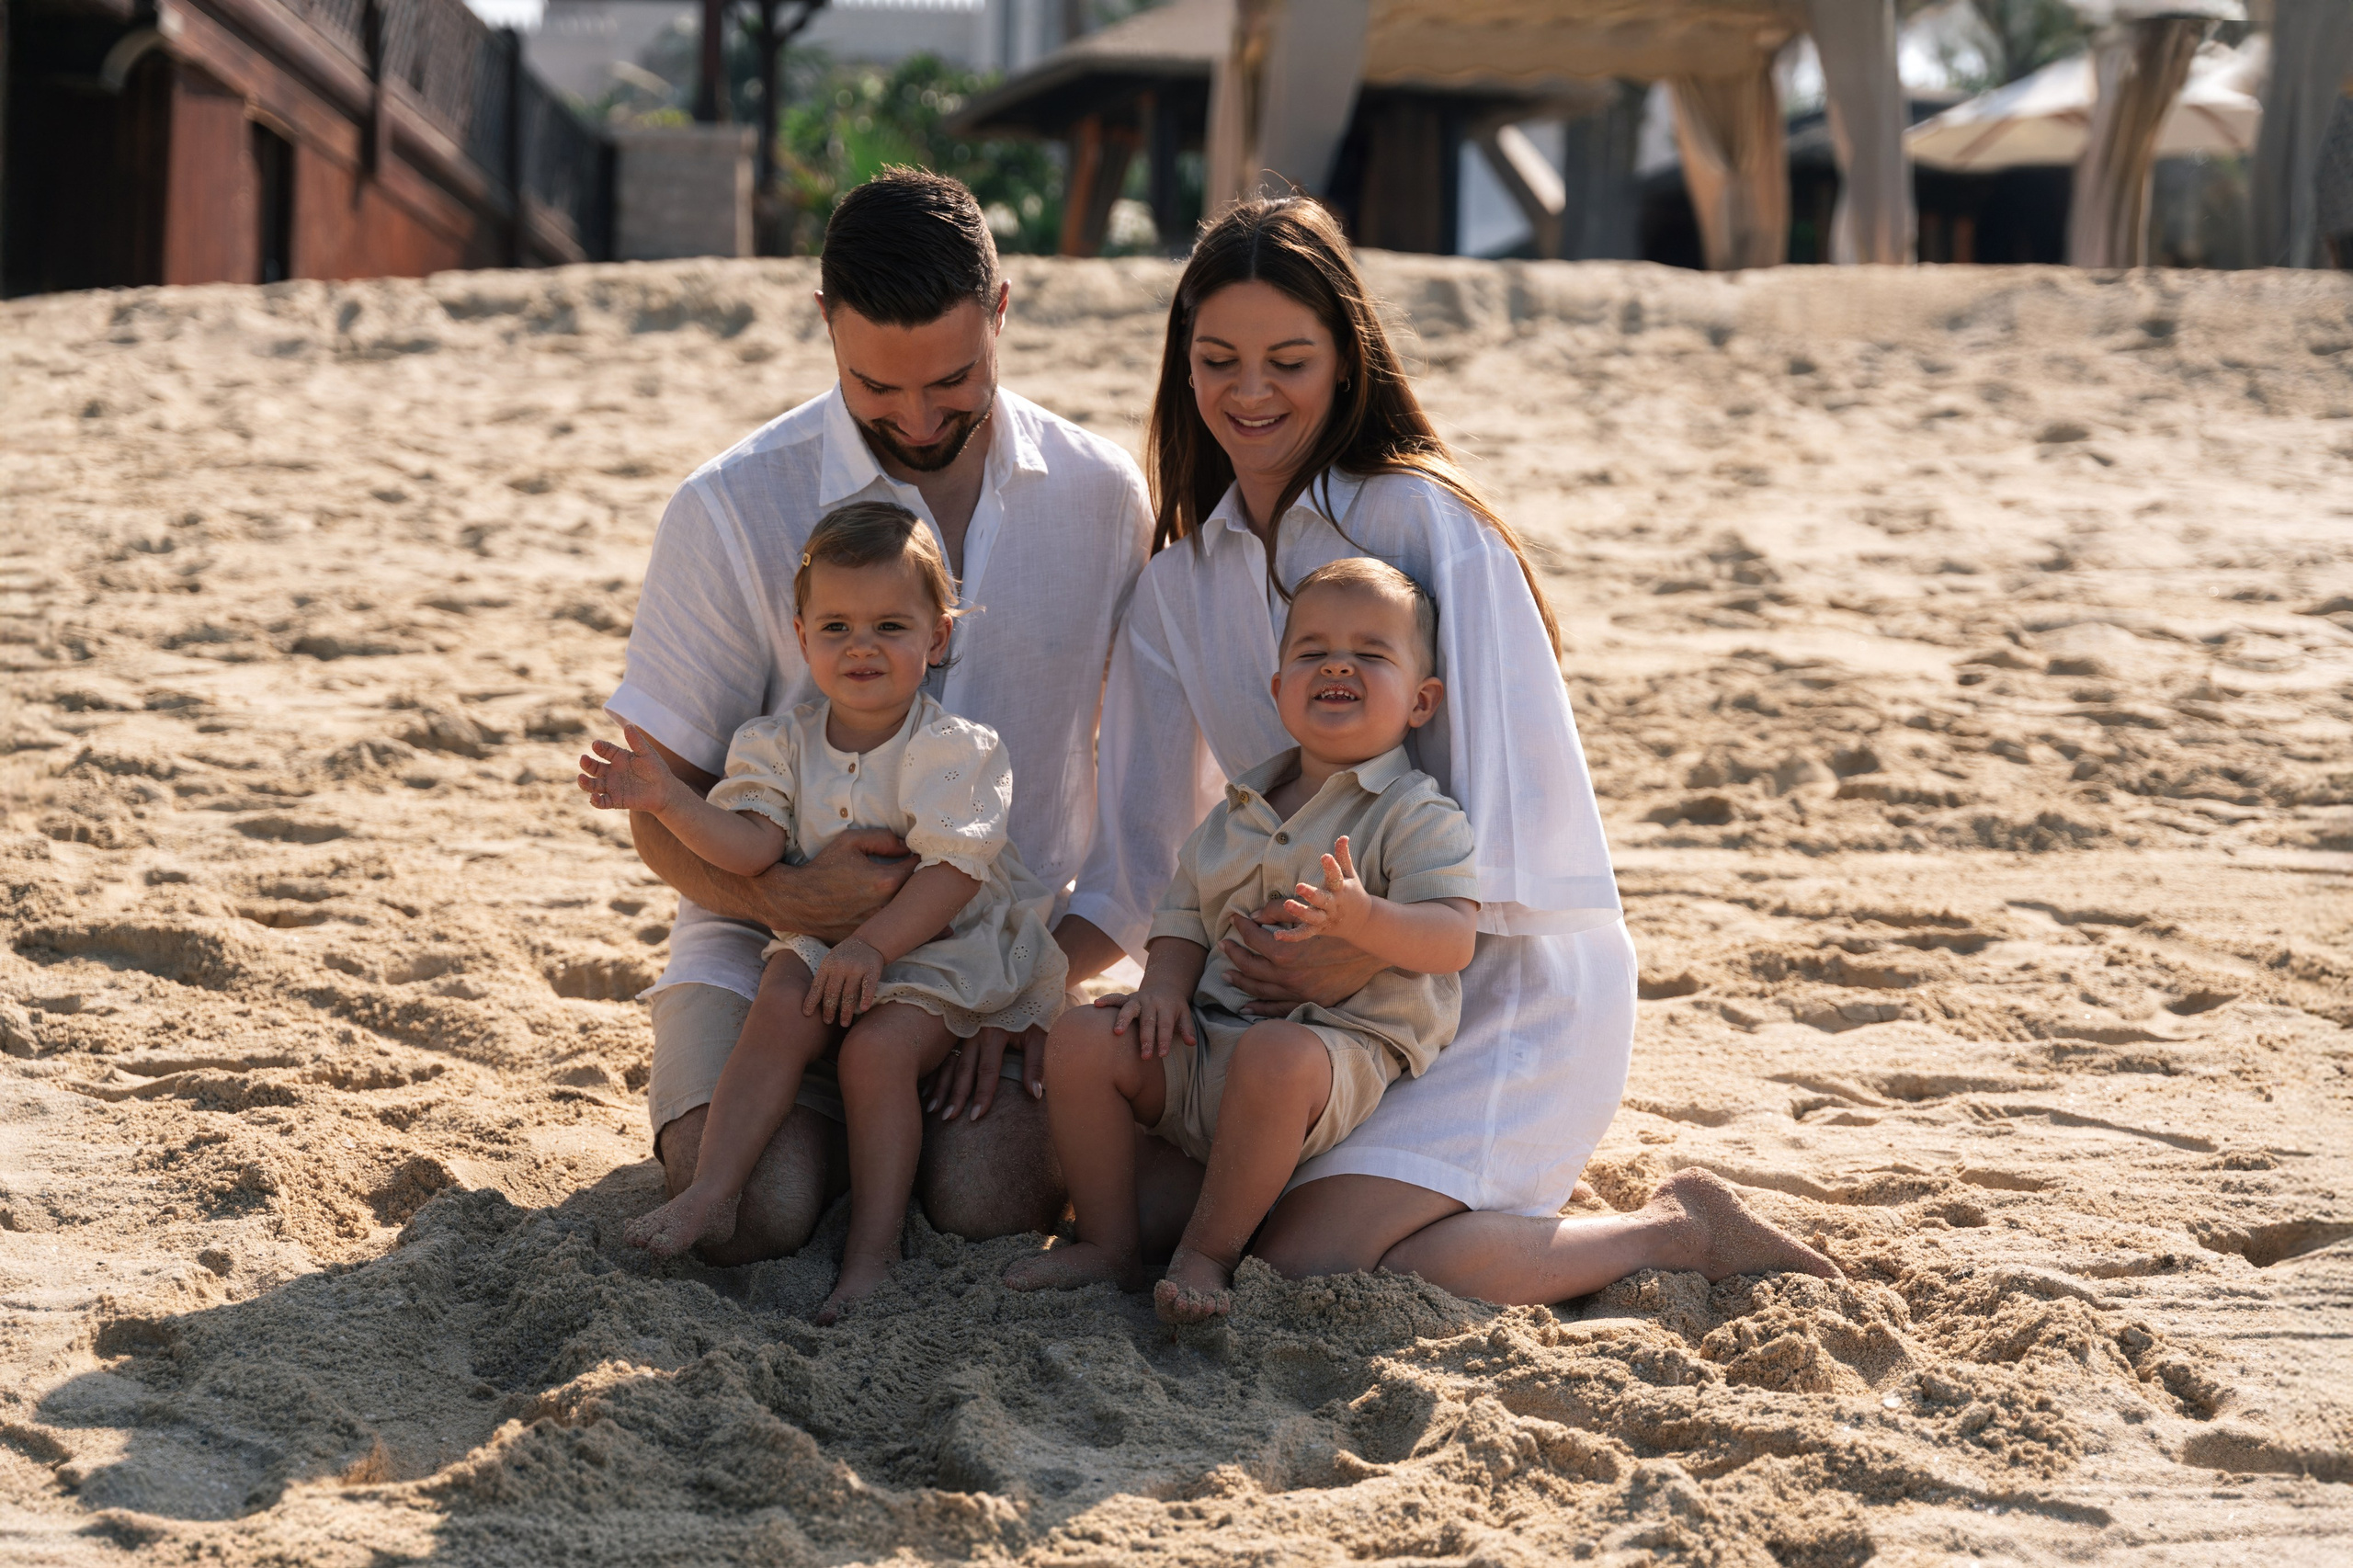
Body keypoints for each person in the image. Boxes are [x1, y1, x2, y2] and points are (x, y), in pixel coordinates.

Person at [1059, 196, 1839, 1303]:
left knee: (1305, 1263)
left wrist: (1365, 949)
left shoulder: (1426, 523)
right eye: (1217, 360)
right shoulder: (1175, 588)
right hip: (1288, 1011)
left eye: (1288, 360)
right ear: (1184, 366)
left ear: (1345, 360)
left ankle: (1670, 1229)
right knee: (1145, 1214)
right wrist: (996, 1001)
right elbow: (1142, 868)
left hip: (1492, 979)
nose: (1249, 391)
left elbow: (1521, 831)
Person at [608, 168, 1151, 1265]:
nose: (916, 419)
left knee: (989, 1197)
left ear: (1002, 311)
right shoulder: (727, 504)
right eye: (875, 386)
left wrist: (1031, 981)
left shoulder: (1103, 497)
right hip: (767, 954)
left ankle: (891, 1141)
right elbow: (657, 813)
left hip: (994, 963)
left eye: (953, 381)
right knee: (758, 1211)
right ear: (825, 324)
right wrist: (783, 895)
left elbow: (1143, 809)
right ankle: (818, 1135)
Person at [583, 504, 1067, 1319]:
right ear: (802, 638)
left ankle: (873, 1250)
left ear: (937, 638)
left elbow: (954, 875)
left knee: (874, 1054)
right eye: (837, 627)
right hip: (833, 940)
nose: (861, 646)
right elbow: (751, 850)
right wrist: (669, 801)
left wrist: (873, 949)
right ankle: (715, 1190)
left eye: (890, 626)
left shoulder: (956, 748)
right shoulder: (779, 743)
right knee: (779, 996)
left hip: (944, 949)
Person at [1011, 557, 1480, 1322]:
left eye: (1370, 653)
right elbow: (1183, 916)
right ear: (1278, 688)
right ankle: (1105, 1242)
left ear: (1421, 701)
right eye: (1313, 651)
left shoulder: (1413, 813)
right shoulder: (1239, 807)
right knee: (1083, 1038)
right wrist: (1163, 987)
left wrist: (1363, 919)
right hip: (1207, 1041)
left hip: (1327, 1057)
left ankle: (1208, 1254)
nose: (1337, 664)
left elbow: (1454, 937)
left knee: (1276, 1056)